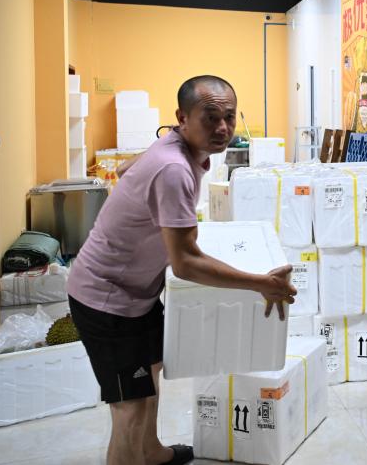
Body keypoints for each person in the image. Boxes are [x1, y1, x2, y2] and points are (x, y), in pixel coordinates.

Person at [66, 75, 296, 465]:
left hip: (135, 294)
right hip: (107, 300)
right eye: (210, 117)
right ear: (182, 117)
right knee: (130, 407)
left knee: (151, 373)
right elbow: (186, 263)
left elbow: (127, 171)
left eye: (229, 116)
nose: (222, 128)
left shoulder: (172, 146)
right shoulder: (173, 168)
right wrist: (261, 283)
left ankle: (152, 453)